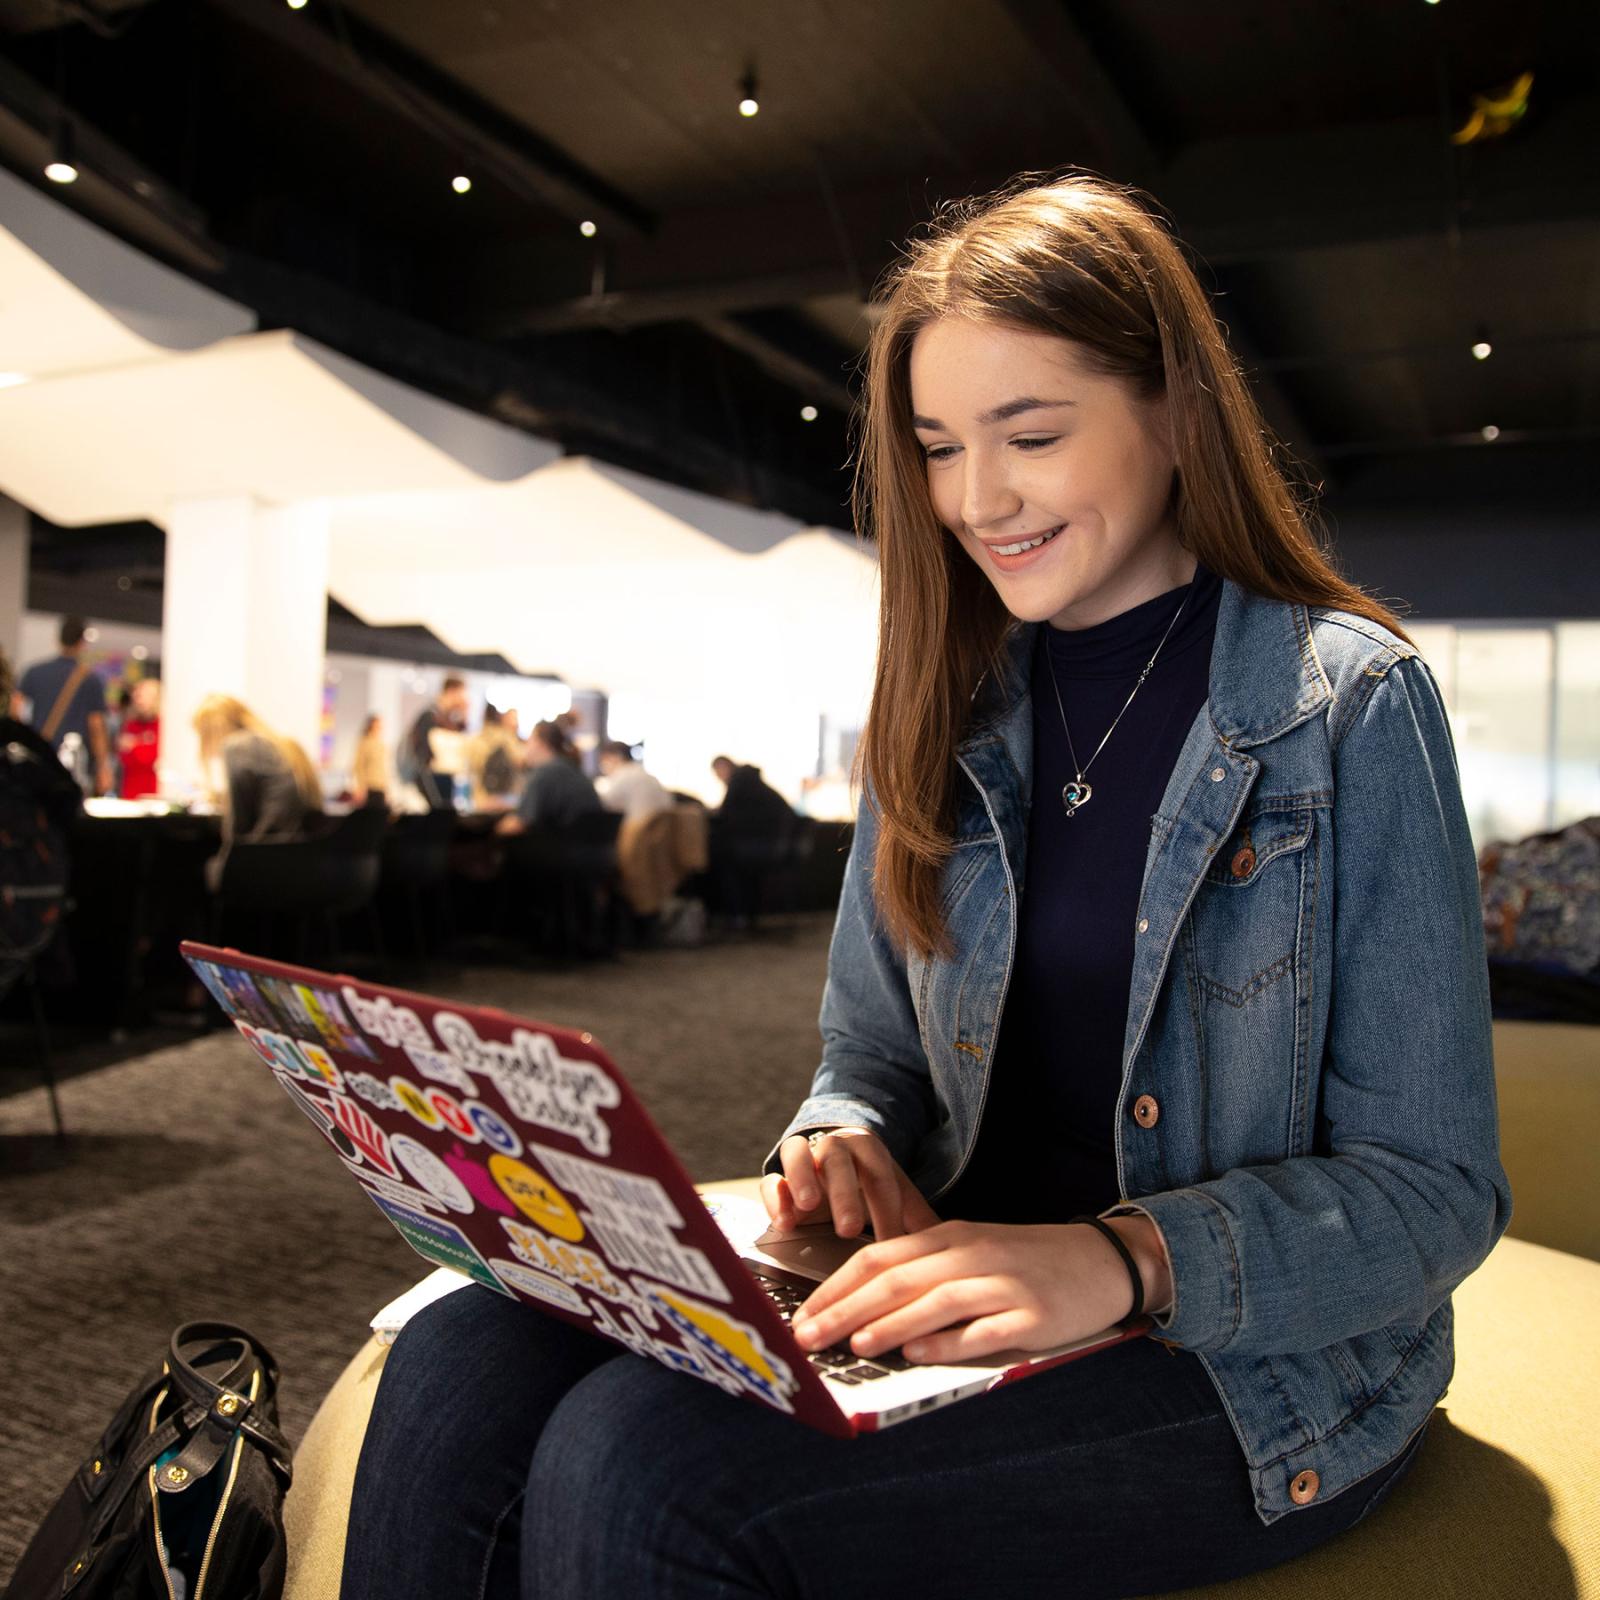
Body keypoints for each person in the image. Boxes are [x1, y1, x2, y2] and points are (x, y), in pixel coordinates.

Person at [342, 174, 1509, 1599]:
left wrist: (1123, 1258)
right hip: (959, 1273)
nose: (975, 500)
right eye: (940, 448)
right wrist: (841, 1135)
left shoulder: (1347, 706)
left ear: (1174, 411)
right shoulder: (949, 702)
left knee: (645, 1470)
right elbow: (871, 1049)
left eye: (1030, 435)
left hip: (1252, 1359)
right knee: (470, 1349)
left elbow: (1434, 1191)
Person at [193, 694, 321, 889]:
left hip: (264, 864)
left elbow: (237, 829)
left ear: (212, 730)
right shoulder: (284, 744)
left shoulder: (237, 745)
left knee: (188, 869)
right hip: (303, 862)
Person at [17, 615, 113, 795]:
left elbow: (16, 710)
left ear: (58, 639)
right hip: (75, 765)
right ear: (82, 642)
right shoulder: (90, 679)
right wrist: (103, 766)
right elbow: (96, 725)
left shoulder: (34, 672)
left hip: (39, 758)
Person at [495, 720, 601, 835]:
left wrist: (491, 832)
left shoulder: (544, 773)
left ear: (541, 744)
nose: (525, 748)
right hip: (588, 846)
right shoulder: (572, 768)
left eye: (529, 741)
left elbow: (519, 823)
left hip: (561, 848)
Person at [401, 675, 469, 809]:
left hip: (442, 778)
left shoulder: (447, 719)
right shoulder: (430, 716)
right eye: (461, 694)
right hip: (430, 780)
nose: (463, 699)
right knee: (438, 815)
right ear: (451, 692)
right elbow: (424, 753)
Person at [595, 738, 672, 822]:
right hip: (664, 831)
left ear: (616, 757)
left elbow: (604, 806)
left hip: (637, 831)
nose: (602, 767)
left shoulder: (622, 776)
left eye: (604, 761)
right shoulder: (650, 778)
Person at [466, 705, 524, 812]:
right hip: (503, 797)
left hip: (482, 797)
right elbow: (519, 761)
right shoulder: (506, 738)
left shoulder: (475, 738)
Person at [117, 677, 161, 800]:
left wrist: (135, 746)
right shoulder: (131, 724)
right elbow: (124, 756)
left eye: (142, 696)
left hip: (152, 790)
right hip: (130, 789)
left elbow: (153, 755)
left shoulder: (161, 725)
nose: (137, 700)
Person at [350, 712, 394, 808]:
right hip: (369, 787)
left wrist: (387, 787)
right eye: (376, 725)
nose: (379, 728)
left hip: (380, 786)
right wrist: (360, 787)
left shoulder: (381, 744)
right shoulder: (364, 743)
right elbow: (358, 766)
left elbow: (384, 768)